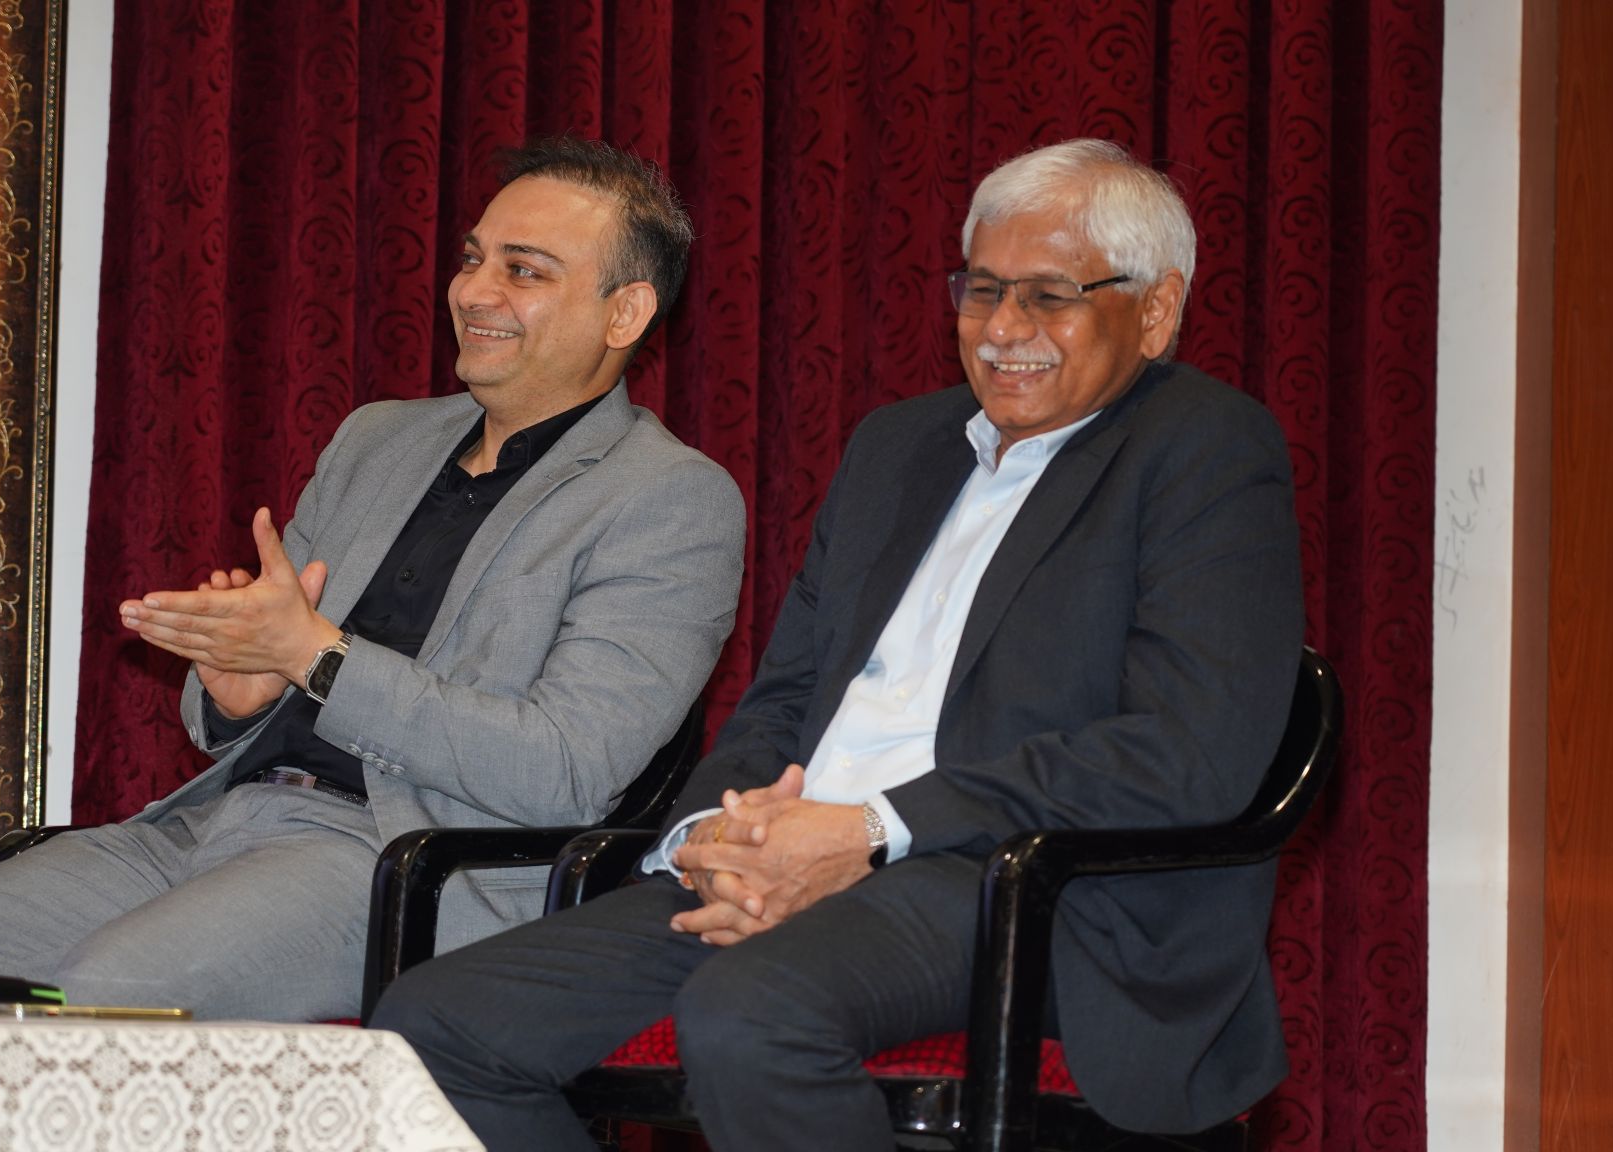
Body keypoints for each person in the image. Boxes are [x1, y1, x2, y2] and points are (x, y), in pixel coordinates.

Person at [373, 138, 1305, 1147]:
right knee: (437, 1026)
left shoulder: (1204, 449)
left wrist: (869, 830)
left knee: (750, 1012)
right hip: (795, 856)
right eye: (981, 290)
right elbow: (785, 698)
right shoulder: (897, 446)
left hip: (1020, 884)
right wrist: (716, 838)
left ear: (1155, 310)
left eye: (1048, 296)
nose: (1002, 329)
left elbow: (1185, 752)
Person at [0, 137, 745, 1022]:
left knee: (101, 1002)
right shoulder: (377, 441)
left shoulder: (669, 498)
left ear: (625, 313)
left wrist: (319, 659)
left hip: (406, 864)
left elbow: (566, 771)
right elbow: (268, 665)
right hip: (216, 823)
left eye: (524, 271)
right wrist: (241, 693)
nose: (474, 291)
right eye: (473, 259)